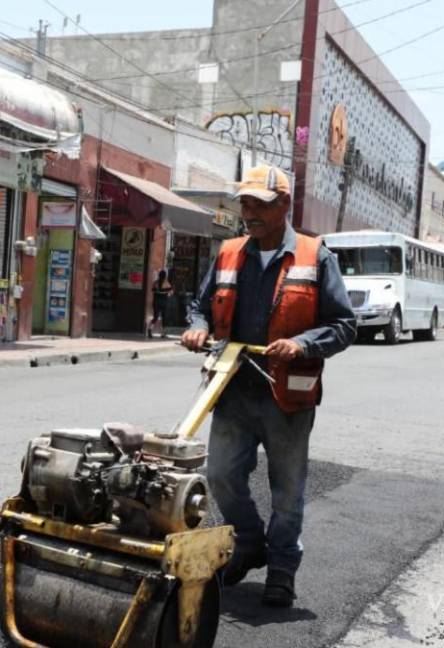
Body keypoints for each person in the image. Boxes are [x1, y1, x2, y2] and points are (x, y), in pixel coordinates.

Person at [181, 165, 356, 607]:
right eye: (245, 203)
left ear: (284, 206)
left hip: (288, 395)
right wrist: (197, 327)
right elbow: (199, 307)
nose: (250, 212)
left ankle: (281, 568)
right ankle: (250, 541)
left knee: (287, 488)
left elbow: (344, 325)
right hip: (234, 387)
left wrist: (301, 344)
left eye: (260, 204)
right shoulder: (228, 252)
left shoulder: (316, 257)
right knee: (220, 474)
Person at [149, 269, 173, 338]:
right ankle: (163, 333)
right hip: (164, 302)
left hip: (156, 302)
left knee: (155, 316)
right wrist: (166, 294)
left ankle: (150, 329)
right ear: (165, 276)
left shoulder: (155, 283)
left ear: (159, 275)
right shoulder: (166, 283)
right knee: (164, 317)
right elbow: (171, 293)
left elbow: (152, 291)